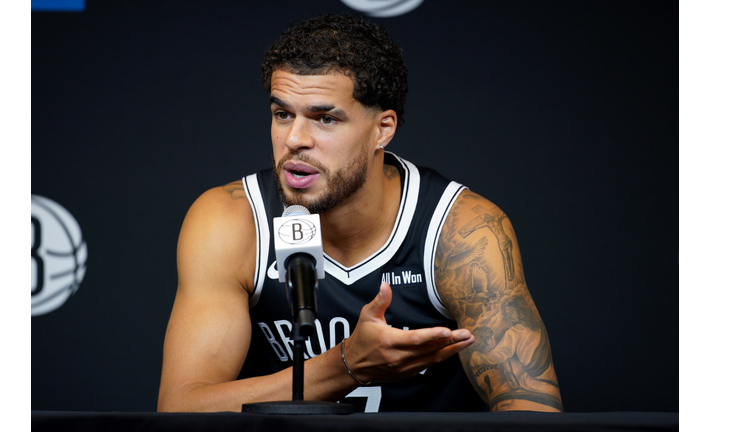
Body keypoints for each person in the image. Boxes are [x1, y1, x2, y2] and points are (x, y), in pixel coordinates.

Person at [157, 14, 562, 413]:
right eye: (283, 114)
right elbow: (181, 408)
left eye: (325, 119)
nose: (294, 139)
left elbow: (533, 413)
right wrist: (346, 364)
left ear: (383, 129)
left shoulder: (462, 231)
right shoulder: (231, 220)